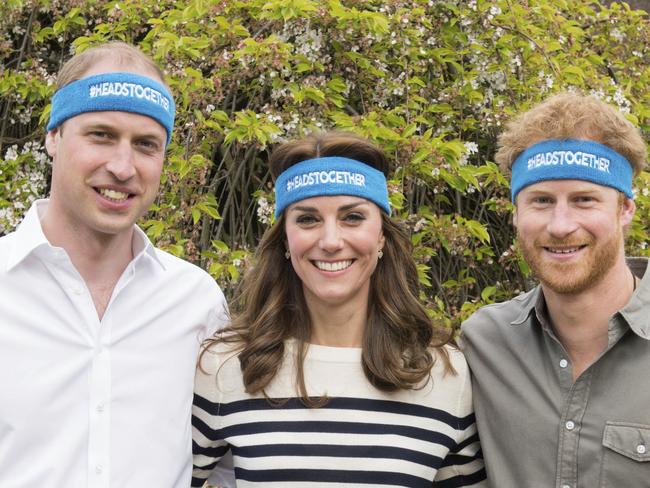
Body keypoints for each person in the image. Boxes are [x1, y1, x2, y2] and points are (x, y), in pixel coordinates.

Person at [192, 131, 486, 487]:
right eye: (307, 219)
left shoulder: (443, 373)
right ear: (285, 238)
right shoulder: (226, 366)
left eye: (352, 218)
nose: (330, 241)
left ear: (381, 237)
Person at [0, 42, 228, 487]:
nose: (123, 167)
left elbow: (226, 465)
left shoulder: (196, 303)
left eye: (146, 145)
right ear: (53, 136)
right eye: (101, 135)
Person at [460, 92, 650, 487]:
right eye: (541, 201)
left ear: (625, 209)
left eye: (584, 200)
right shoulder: (482, 344)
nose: (561, 225)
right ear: (516, 214)